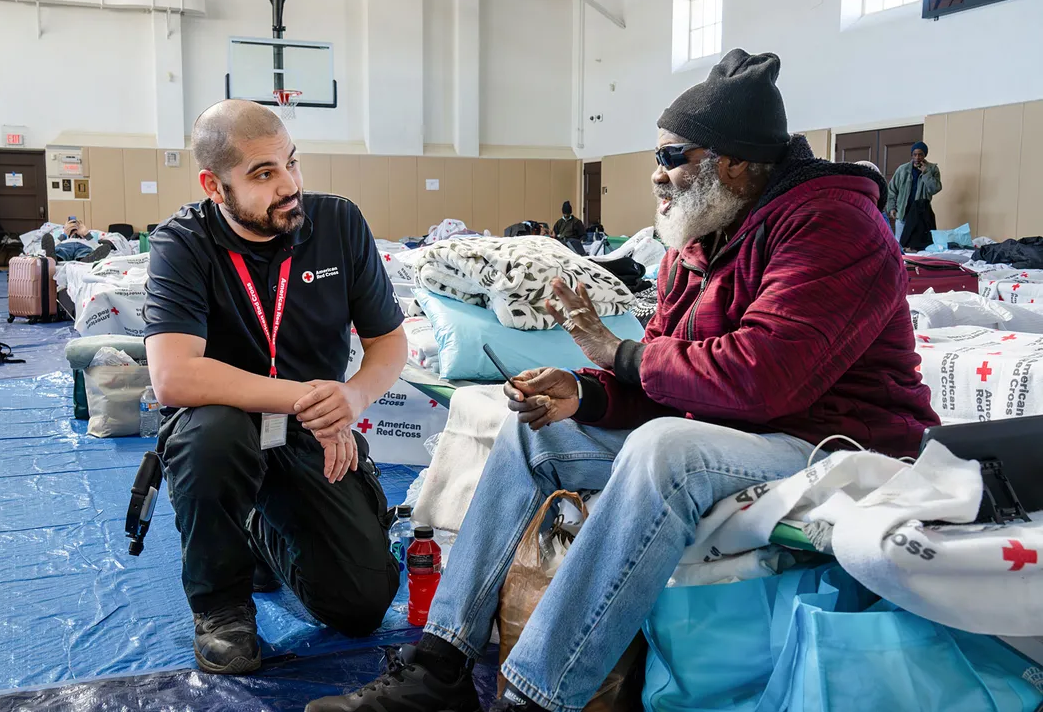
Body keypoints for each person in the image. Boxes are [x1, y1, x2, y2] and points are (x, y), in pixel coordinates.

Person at [306, 49, 938, 712]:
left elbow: (764, 378)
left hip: (828, 444)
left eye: (672, 157)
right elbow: (669, 372)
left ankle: (539, 694)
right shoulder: (699, 243)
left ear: (735, 163)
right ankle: (440, 665)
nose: (657, 174)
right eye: (656, 157)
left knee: (663, 450)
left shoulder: (834, 226)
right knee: (533, 435)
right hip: (736, 432)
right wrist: (587, 391)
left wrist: (619, 356)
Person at [143, 99, 408, 676]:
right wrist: (312, 397)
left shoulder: (338, 224)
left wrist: (353, 400)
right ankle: (221, 608)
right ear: (215, 185)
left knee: (361, 606)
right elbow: (172, 375)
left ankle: (259, 529)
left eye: (291, 163)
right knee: (212, 433)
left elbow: (390, 344)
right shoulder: (181, 246)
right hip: (228, 429)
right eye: (263, 174)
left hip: (312, 431)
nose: (289, 185)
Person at [888, 142, 942, 251]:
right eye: (915, 154)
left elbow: (935, 189)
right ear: (912, 155)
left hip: (920, 214)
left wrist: (926, 173)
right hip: (903, 212)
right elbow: (892, 190)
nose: (917, 157)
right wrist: (892, 208)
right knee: (900, 244)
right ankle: (900, 266)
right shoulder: (902, 169)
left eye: (920, 154)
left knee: (917, 246)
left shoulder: (932, 169)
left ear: (925, 155)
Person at [41, 218, 113, 263]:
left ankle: (86, 259)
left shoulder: (87, 240)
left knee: (85, 251)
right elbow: (54, 246)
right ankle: (53, 258)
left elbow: (96, 248)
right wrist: (64, 234)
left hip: (83, 246)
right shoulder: (64, 238)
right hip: (65, 246)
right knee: (60, 250)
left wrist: (86, 234)